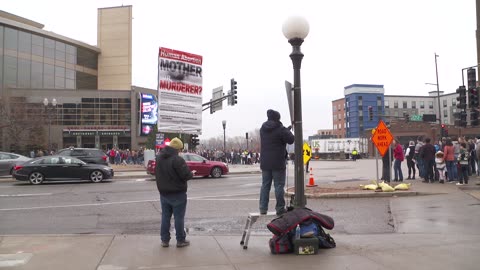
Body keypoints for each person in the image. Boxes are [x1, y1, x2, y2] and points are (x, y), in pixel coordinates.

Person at [155, 137, 194, 248]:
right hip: (178, 193)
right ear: (177, 149)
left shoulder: (159, 158)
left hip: (164, 193)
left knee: (165, 217)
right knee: (179, 217)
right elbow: (185, 175)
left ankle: (165, 240)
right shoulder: (177, 160)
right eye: (180, 149)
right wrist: (192, 174)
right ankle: (180, 240)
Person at [259, 109, 294, 216]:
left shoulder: (262, 129)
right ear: (277, 118)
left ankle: (263, 208)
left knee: (265, 185)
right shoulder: (280, 129)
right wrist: (286, 129)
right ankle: (279, 208)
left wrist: (284, 130)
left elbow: (274, 137)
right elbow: (291, 139)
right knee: (279, 186)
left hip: (265, 162)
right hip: (278, 162)